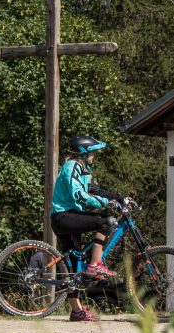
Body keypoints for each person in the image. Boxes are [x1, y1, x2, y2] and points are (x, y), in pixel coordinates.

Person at [50, 134, 127, 322]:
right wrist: (105, 204)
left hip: (68, 217)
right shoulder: (72, 167)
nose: (94, 156)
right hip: (64, 216)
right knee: (105, 221)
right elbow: (80, 196)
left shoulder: (83, 168)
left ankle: (76, 311)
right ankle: (95, 265)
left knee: (75, 267)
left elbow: (94, 189)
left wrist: (118, 198)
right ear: (83, 153)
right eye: (92, 152)